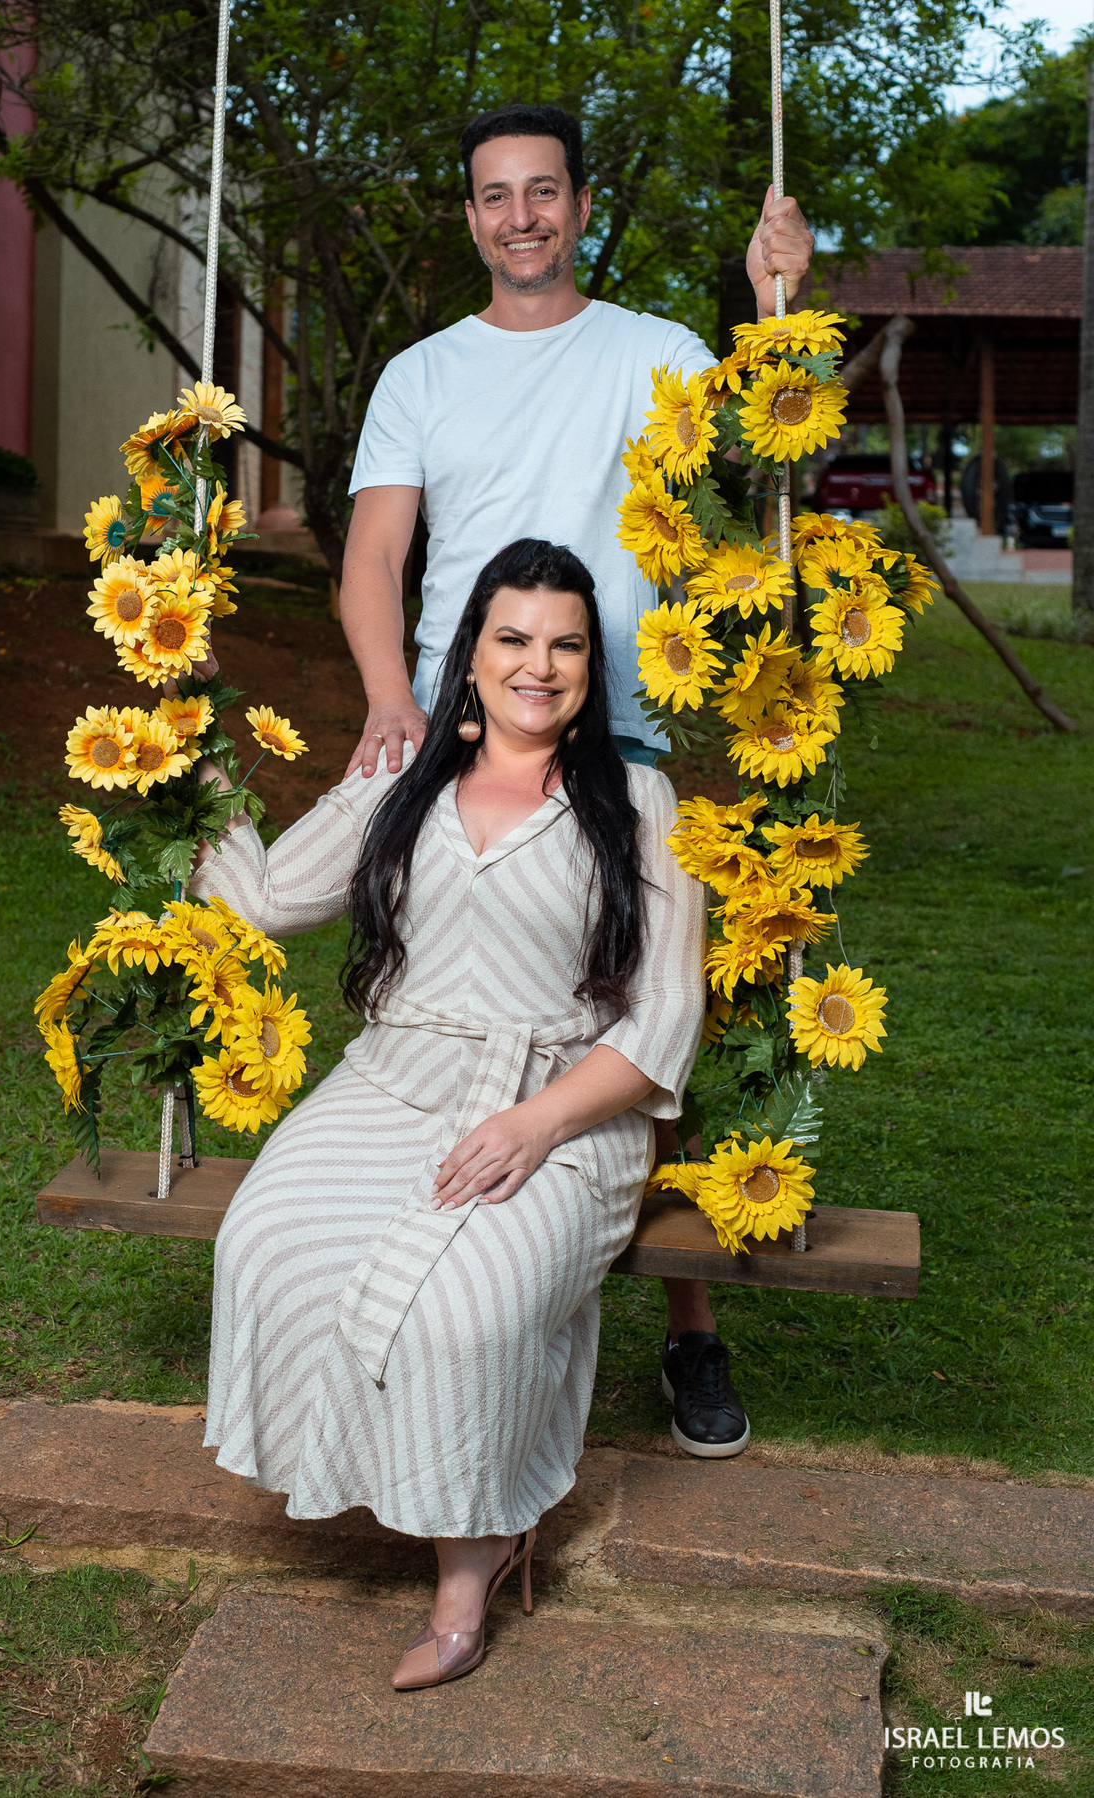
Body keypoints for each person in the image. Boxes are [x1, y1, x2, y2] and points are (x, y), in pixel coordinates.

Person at [338, 102, 813, 1456]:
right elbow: (375, 559)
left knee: (640, 1015)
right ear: (470, 216)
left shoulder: (655, 353)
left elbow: (761, 453)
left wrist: (774, 301)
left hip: (620, 734)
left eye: (544, 191)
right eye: (496, 195)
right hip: (456, 739)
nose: (522, 217)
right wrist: (389, 695)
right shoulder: (421, 374)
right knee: (434, 1006)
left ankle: (690, 1327)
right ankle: (433, 1259)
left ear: (582, 206)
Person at [190, 539, 706, 1689]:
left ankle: (472, 1562)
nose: (539, 665)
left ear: (592, 665)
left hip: (564, 1105)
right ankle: (376, 1468)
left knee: (467, 1307)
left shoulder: (638, 802)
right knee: (268, 1238)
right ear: (471, 653)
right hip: (393, 1081)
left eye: (566, 644)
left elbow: (667, 1014)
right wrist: (192, 738)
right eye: (514, 638)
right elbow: (266, 897)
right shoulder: (403, 778)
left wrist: (538, 1124)